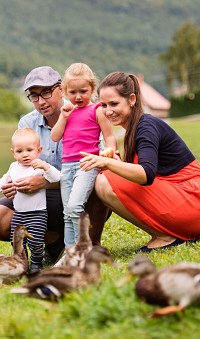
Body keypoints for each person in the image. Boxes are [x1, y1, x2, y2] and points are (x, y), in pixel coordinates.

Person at [80, 71, 200, 252]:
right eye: (103, 105)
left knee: (103, 181)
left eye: (114, 103)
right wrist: (116, 163)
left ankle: (165, 237)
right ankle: (91, 245)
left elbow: (146, 175)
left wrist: (109, 164)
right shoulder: (134, 128)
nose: (108, 111)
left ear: (132, 99)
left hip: (193, 203)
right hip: (191, 205)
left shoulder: (146, 126)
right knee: (105, 175)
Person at [0, 66, 67, 266]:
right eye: (34, 96)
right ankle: (51, 241)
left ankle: (75, 240)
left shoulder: (80, 115)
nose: (41, 101)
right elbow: (21, 165)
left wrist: (42, 182)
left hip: (71, 192)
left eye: (46, 92)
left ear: (61, 89)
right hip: (35, 198)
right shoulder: (27, 121)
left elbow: (92, 171)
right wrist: (12, 185)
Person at [51, 63, 117, 250]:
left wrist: (110, 152)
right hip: (67, 166)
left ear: (93, 89)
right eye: (73, 92)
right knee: (67, 212)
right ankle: (70, 252)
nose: (78, 96)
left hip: (87, 165)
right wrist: (63, 117)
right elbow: (55, 136)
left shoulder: (96, 110)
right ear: (64, 91)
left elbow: (109, 135)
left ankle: (82, 248)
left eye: (83, 91)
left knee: (74, 207)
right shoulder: (66, 112)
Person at [0, 128, 61, 272]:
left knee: (36, 241)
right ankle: (22, 262)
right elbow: (4, 178)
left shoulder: (39, 167)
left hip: (37, 214)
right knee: (17, 241)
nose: (25, 154)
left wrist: (46, 167)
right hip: (19, 213)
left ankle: (36, 263)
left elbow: (57, 178)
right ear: (13, 153)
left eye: (29, 150)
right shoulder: (14, 167)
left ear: (38, 151)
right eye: (20, 151)